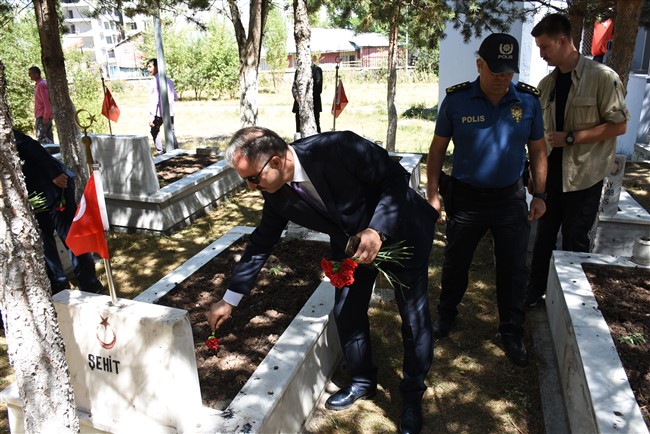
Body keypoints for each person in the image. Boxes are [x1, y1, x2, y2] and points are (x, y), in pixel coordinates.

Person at [207, 127, 438, 434]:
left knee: (413, 317)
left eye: (252, 178)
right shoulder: (275, 193)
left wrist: (377, 230)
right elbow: (262, 241)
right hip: (350, 246)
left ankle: (412, 393)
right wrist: (229, 299)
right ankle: (363, 381)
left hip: (400, 231)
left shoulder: (338, 146)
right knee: (346, 311)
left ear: (275, 162)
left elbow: (395, 179)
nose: (250, 187)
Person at [426, 33, 548, 367]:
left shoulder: (527, 102)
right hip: (467, 200)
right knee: (456, 263)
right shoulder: (457, 101)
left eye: (508, 72)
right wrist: (433, 195)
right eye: (495, 71)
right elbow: (436, 151)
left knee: (513, 269)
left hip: (510, 200)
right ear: (480, 64)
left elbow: (538, 150)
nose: (502, 78)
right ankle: (446, 315)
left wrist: (539, 194)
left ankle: (512, 330)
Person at [526, 14, 630, 307]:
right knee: (544, 237)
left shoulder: (602, 77)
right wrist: (533, 172)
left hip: (584, 176)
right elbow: (539, 136)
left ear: (562, 41)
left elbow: (619, 125)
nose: (541, 54)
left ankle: (572, 302)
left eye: (545, 47)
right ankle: (535, 292)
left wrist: (572, 137)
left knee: (575, 240)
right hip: (550, 176)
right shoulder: (546, 84)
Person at [14, 129, 103, 294]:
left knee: (71, 236)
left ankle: (90, 283)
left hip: (53, 185)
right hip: (30, 196)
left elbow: (28, 145)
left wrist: (54, 172)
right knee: (44, 242)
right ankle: (59, 285)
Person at [147, 58, 179, 155]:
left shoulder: (155, 81)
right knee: (171, 131)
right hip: (170, 111)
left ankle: (160, 152)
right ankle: (177, 151)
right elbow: (176, 96)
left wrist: (152, 116)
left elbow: (154, 100)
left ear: (157, 67)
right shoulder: (169, 80)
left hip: (159, 113)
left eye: (150, 67)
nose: (148, 69)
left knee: (154, 130)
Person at [292, 57, 323, 133]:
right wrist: (296, 96)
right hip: (299, 104)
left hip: (313, 104)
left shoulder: (317, 70)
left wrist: (306, 98)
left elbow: (318, 88)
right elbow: (294, 86)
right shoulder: (298, 71)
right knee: (299, 129)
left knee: (315, 127)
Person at [28, 66, 54, 145]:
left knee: (42, 140)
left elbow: (47, 102)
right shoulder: (40, 84)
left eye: (31, 73)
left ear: (37, 74)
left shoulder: (41, 85)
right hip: (44, 115)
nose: (29, 75)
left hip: (42, 116)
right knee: (48, 139)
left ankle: (48, 153)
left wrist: (46, 116)